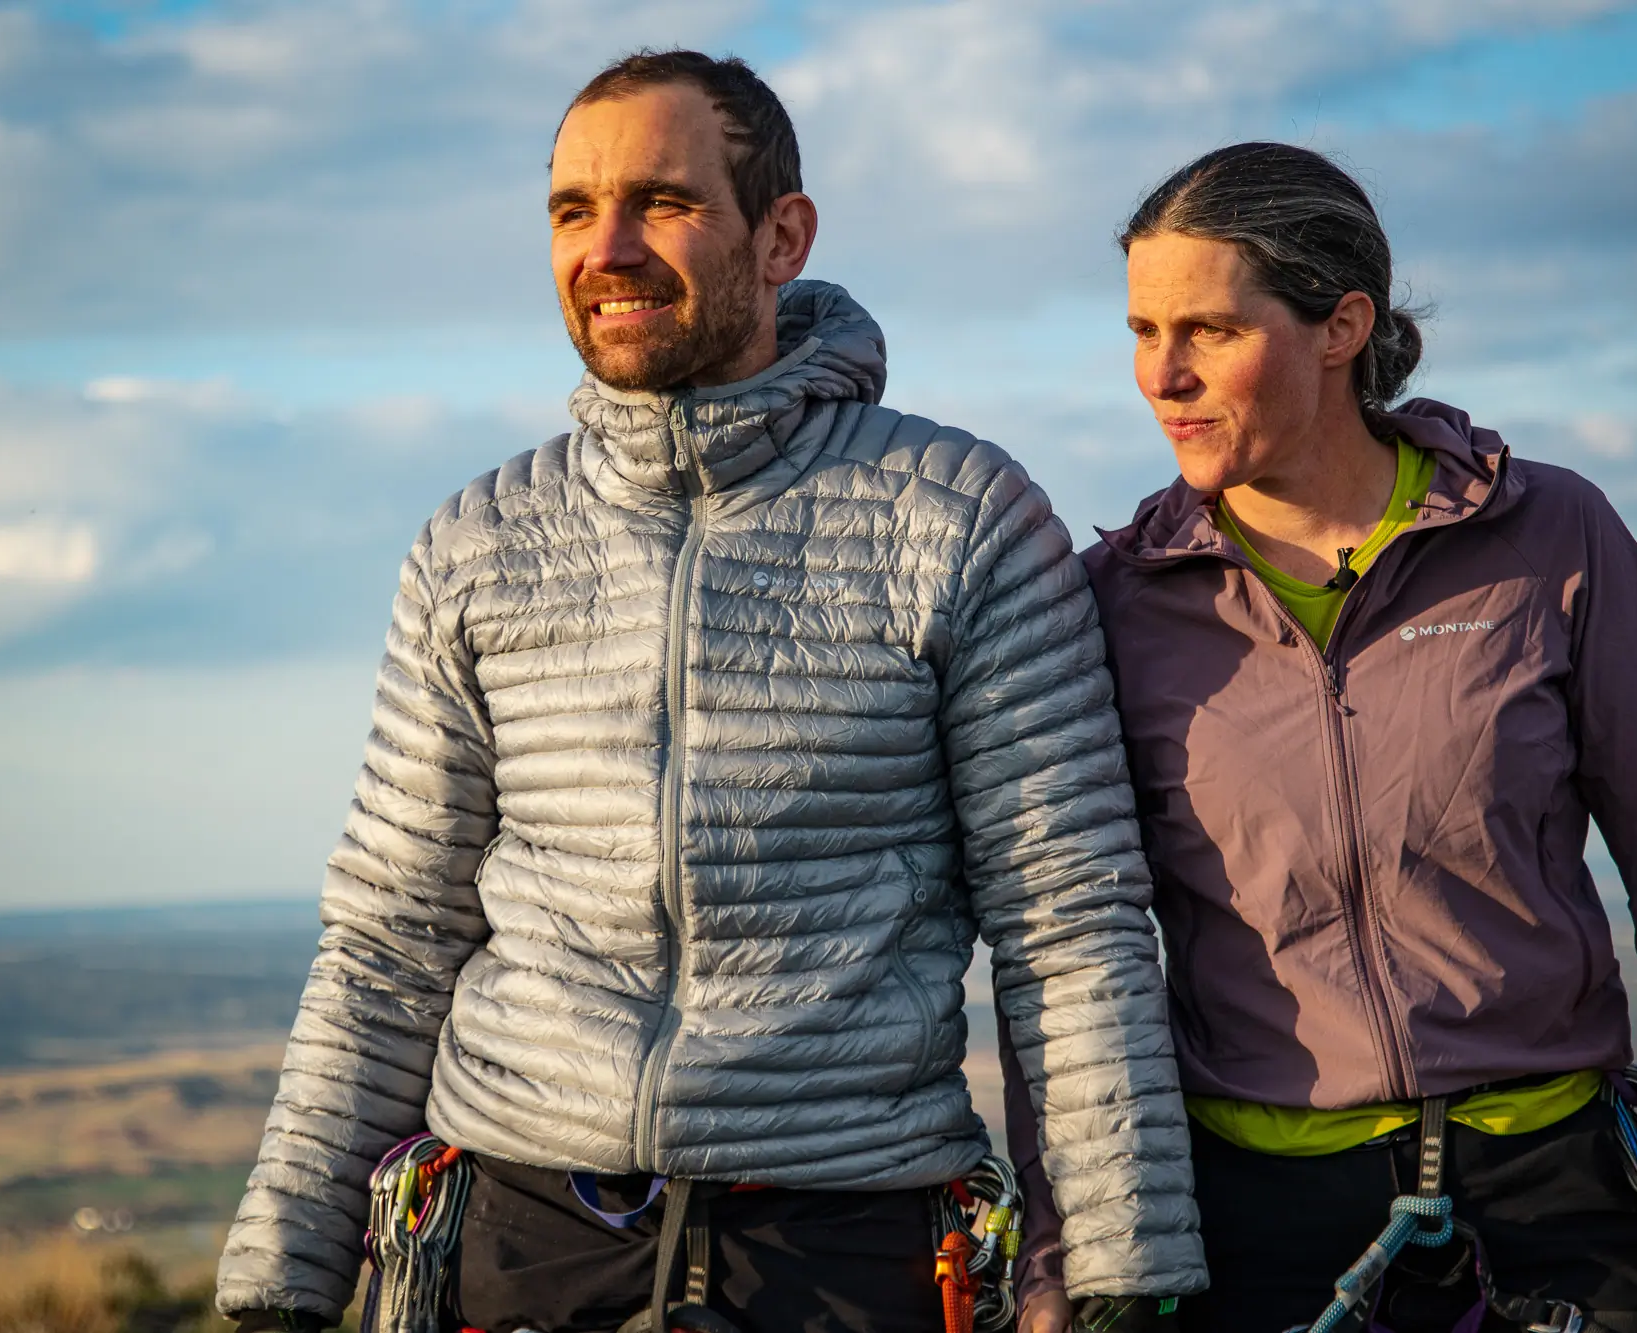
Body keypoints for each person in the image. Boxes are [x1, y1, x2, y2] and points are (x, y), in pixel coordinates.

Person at [215, 50, 1206, 1333]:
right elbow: (388, 941)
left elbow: (1066, 921)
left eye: (662, 203)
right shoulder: (479, 539)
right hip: (515, 1241)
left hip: (846, 1247)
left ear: (781, 234)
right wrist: (279, 1281)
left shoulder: (959, 516)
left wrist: (1122, 1276)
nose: (606, 247)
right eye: (571, 210)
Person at [1008, 143, 1637, 1333]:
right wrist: (1059, 1253)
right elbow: (1067, 948)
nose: (1160, 377)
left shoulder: (1549, 534)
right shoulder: (1112, 601)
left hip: (1556, 1201)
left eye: (1208, 332)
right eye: (1140, 331)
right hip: (1256, 1218)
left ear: (1340, 326)